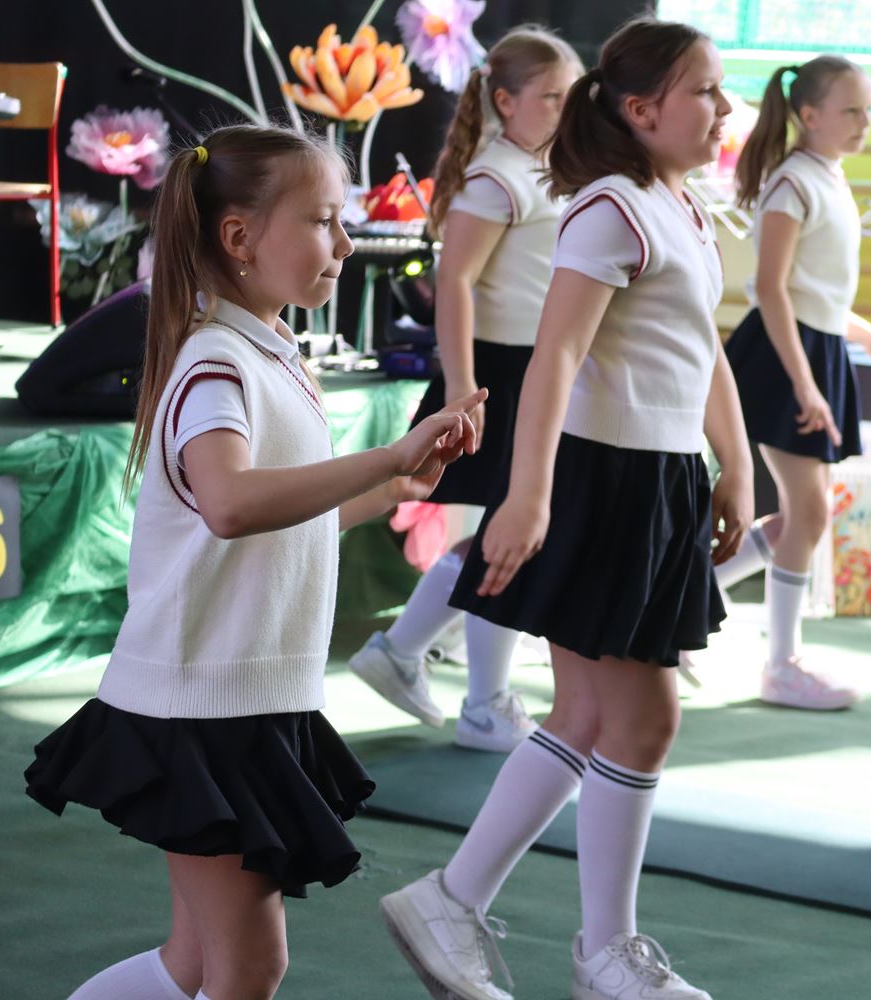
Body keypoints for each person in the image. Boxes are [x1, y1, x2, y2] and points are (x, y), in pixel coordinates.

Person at [23, 125, 482, 1000]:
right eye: (322, 220)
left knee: (196, 963)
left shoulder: (270, 352)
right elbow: (231, 504)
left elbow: (284, 523)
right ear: (238, 237)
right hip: (203, 706)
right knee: (248, 966)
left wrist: (395, 487)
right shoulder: (214, 363)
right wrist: (386, 456)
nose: (346, 243)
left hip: (242, 698)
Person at [378, 19, 749, 1000]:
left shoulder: (679, 205)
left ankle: (462, 903)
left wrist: (735, 462)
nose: (724, 108)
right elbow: (557, 356)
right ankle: (598, 950)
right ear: (643, 110)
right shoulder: (609, 208)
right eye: (706, 91)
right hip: (606, 478)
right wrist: (529, 493)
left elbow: (701, 349)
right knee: (640, 719)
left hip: (659, 476)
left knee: (593, 714)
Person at [348, 26, 582, 752]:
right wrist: (462, 385)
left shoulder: (540, 169)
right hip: (500, 374)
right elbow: (454, 282)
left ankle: (405, 653)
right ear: (505, 102)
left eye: (571, 96)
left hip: (535, 368)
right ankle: (481, 702)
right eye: (552, 97)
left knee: (510, 536)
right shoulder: (496, 177)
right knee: (512, 537)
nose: (565, 108)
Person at [715, 54, 871, 710]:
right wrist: (804, 383)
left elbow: (814, 290)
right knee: (810, 511)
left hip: (814, 347)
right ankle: (782, 664)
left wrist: (862, 331)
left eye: (868, 110)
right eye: (851, 110)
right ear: (809, 115)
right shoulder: (792, 182)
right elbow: (771, 288)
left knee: (807, 511)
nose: (864, 122)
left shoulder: (829, 175)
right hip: (782, 356)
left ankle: (692, 597)